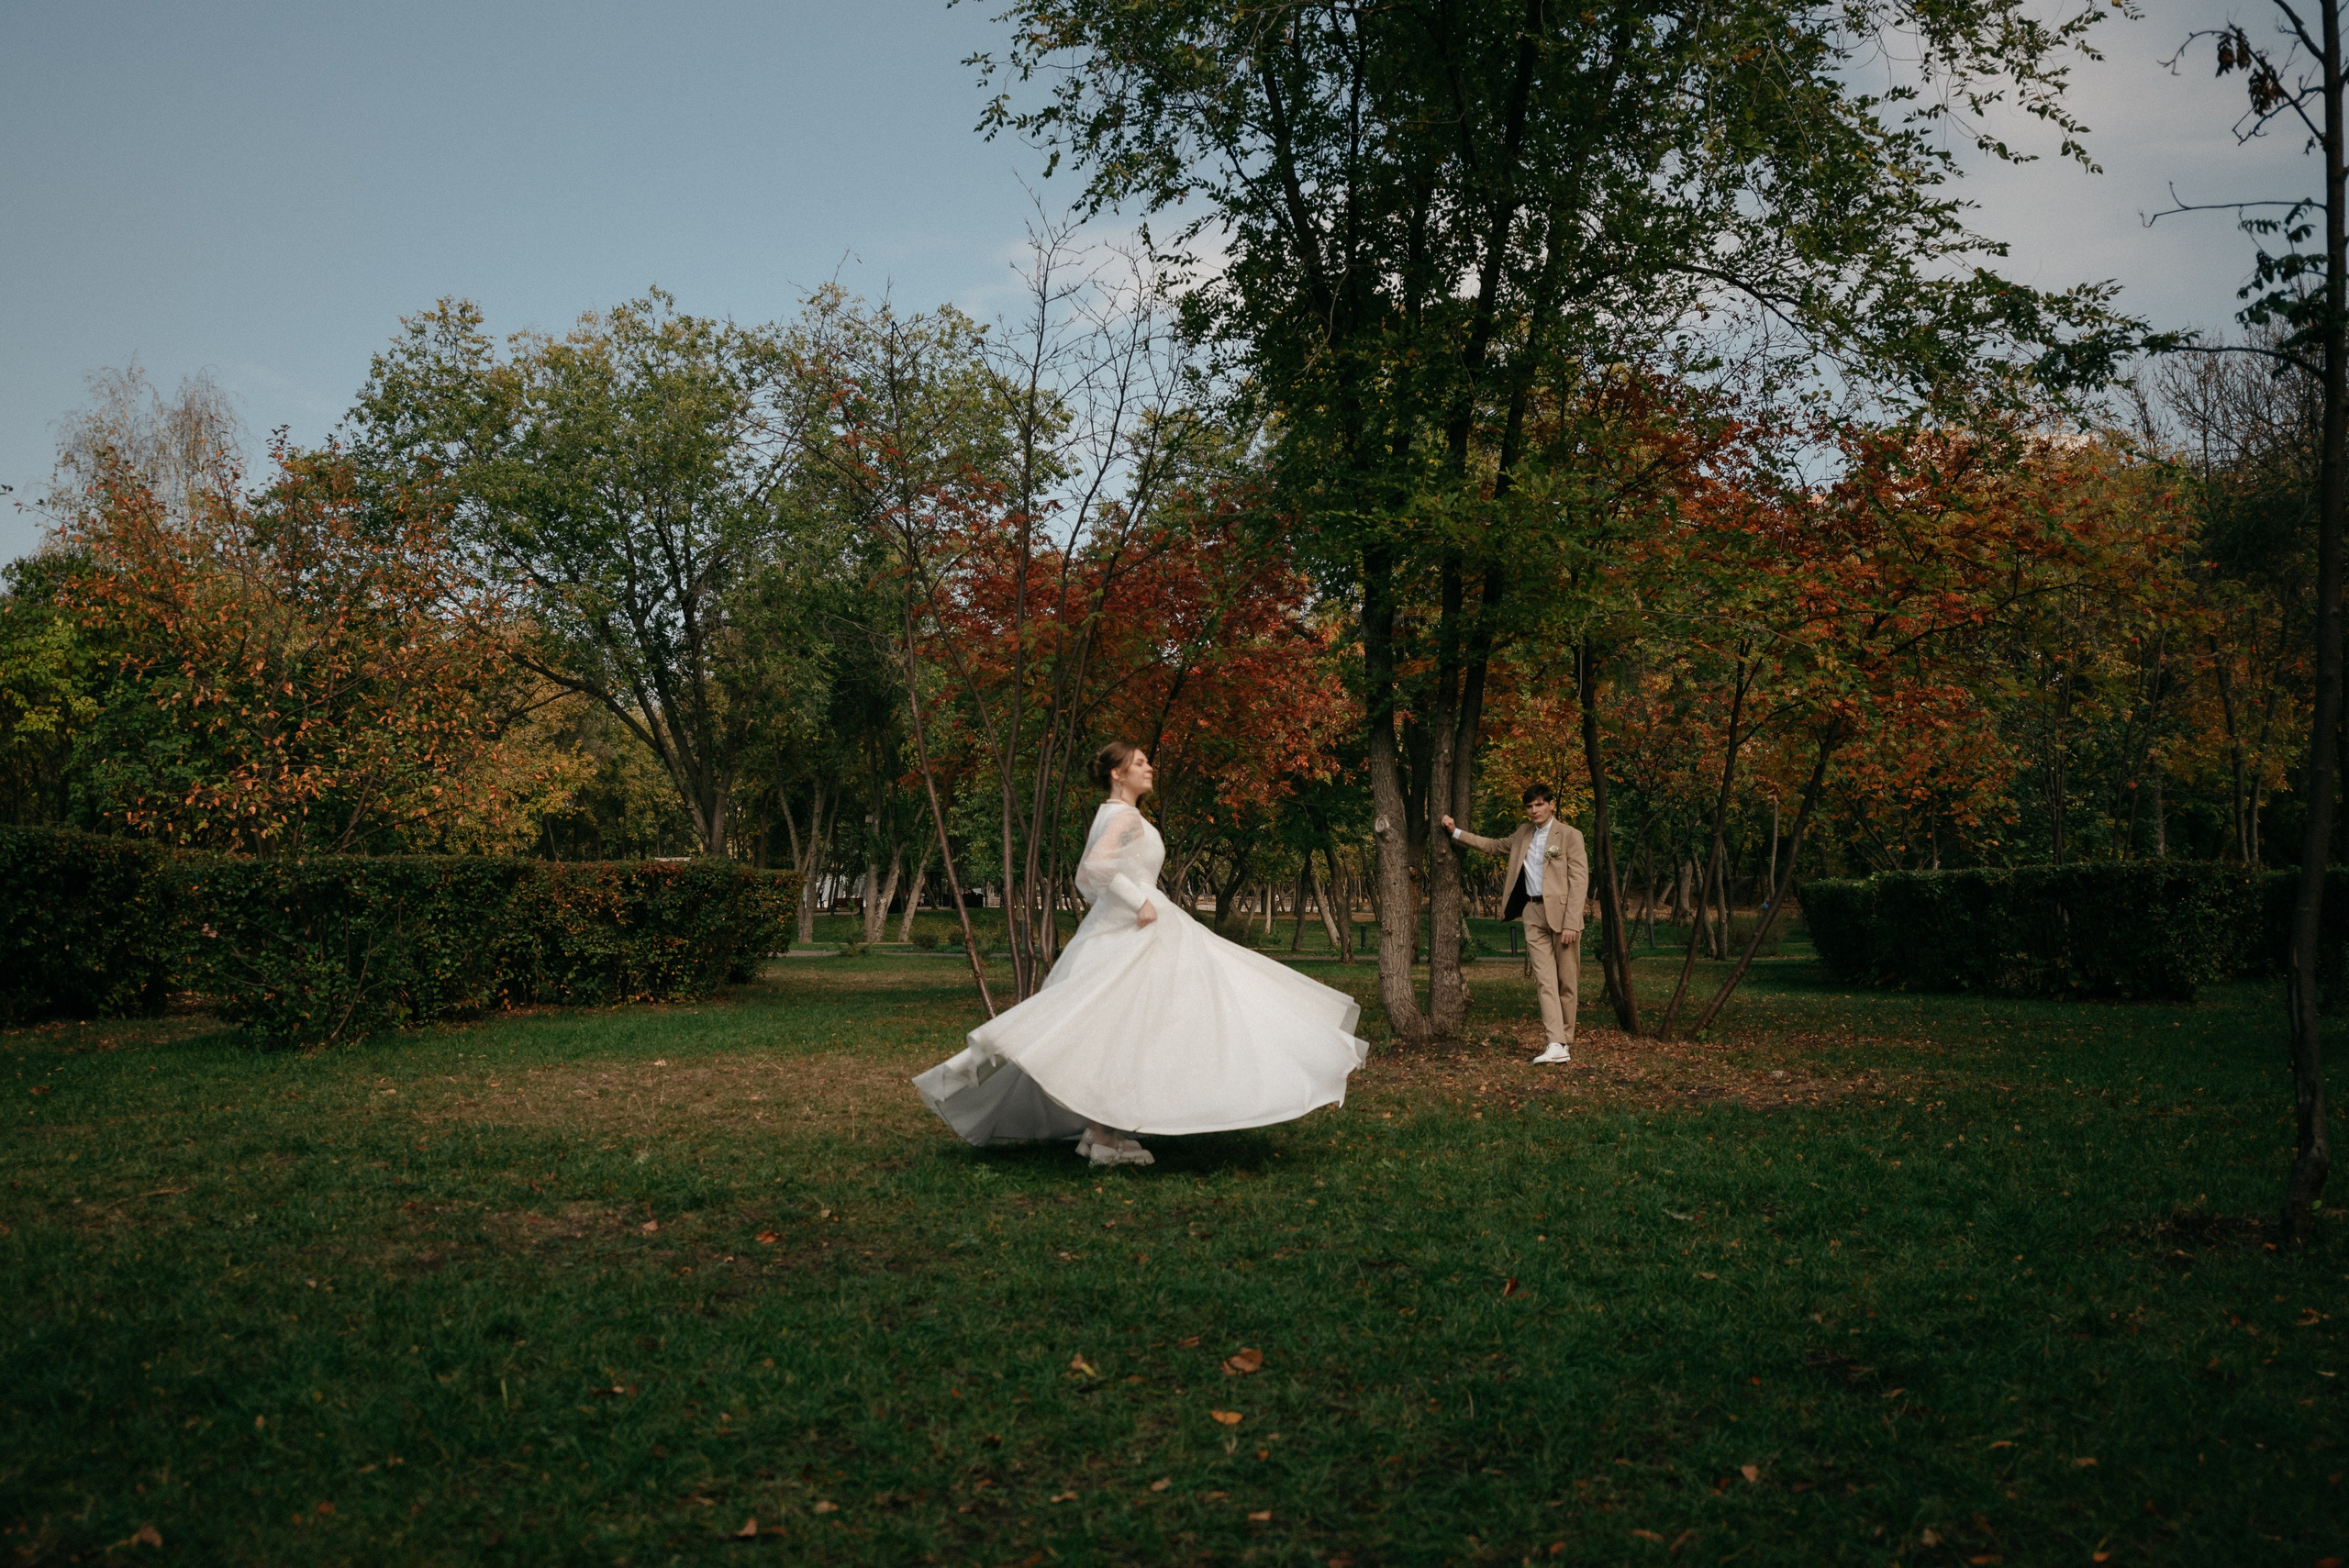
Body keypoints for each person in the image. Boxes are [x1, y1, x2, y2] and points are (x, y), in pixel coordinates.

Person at [913, 742, 1369, 1166]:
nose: (1149, 767)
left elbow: (1088, 880)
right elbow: (1091, 871)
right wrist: (1139, 902)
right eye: (1139, 763)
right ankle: (1107, 1137)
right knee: (1131, 1024)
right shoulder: (1122, 817)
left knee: (1117, 1026)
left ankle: (1101, 1130)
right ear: (1117, 773)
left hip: (1129, 927)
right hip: (1138, 927)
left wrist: (1130, 902)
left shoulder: (1113, 813)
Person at [1441, 784, 1588, 1064]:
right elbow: (1493, 846)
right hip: (1532, 913)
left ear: (1551, 804)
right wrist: (1455, 832)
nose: (1534, 811)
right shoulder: (1523, 834)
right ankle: (1554, 1042)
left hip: (1563, 916)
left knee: (1566, 982)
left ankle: (1565, 1041)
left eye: (1539, 805)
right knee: (1545, 980)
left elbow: (1579, 880)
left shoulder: (1570, 835)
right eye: (1529, 806)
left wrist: (1572, 922)